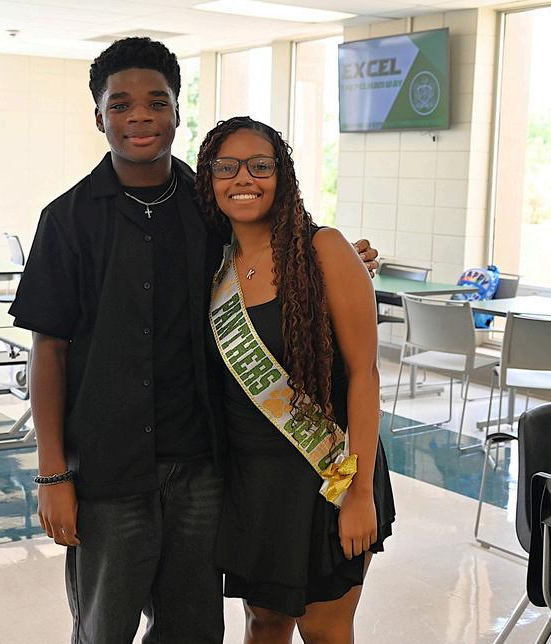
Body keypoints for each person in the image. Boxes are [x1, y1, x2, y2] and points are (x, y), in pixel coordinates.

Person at [9, 38, 379, 643]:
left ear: (178, 111)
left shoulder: (208, 211)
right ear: (99, 116)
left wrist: (343, 260)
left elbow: (278, 244)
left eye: (157, 102)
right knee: (103, 631)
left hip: (205, 471)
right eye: (121, 104)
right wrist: (52, 476)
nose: (140, 117)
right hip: (108, 471)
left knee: (194, 631)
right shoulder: (67, 219)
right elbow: (48, 351)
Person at [198, 116, 395, 644]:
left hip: (328, 473)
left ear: (281, 175)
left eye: (260, 166)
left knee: (324, 628)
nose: (244, 178)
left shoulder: (323, 249)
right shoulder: (214, 265)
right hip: (253, 483)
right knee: (264, 624)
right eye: (227, 166)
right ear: (209, 179)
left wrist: (359, 493)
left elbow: (365, 376)